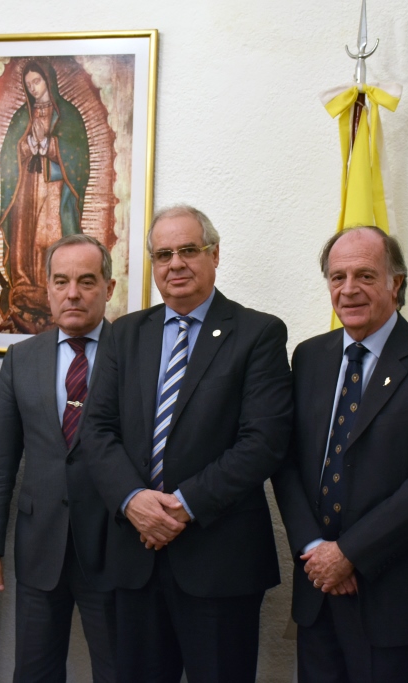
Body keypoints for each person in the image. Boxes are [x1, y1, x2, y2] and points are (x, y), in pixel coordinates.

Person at [81, 205, 292, 683]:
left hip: (218, 559)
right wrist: (133, 500)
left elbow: (263, 441)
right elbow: (97, 430)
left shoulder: (258, 333)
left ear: (214, 255)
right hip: (135, 554)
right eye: (163, 254)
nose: (175, 264)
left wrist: (181, 507)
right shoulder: (126, 334)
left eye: (188, 250)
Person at [271, 226, 408, 682]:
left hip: (395, 595)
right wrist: (315, 551)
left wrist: (349, 554)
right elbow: (286, 464)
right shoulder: (308, 357)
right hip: (318, 587)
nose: (349, 289)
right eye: (337, 277)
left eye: (365, 275)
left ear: (394, 283)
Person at [0, 233, 117, 682]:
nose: (72, 293)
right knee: (33, 673)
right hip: (39, 548)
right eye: (61, 281)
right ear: (48, 289)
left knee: (119, 671)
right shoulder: (21, 359)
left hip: (115, 547)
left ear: (108, 289)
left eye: (86, 281)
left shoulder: (134, 352)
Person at [0, 60, 91, 333]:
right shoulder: (21, 116)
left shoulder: (68, 115)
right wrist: (27, 146)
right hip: (27, 187)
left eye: (36, 82)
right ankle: (25, 287)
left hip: (55, 187)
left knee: (51, 237)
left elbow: (78, 156)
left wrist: (50, 145)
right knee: (25, 238)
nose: (33, 88)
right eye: (28, 85)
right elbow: (8, 156)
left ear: (48, 81)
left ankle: (53, 287)